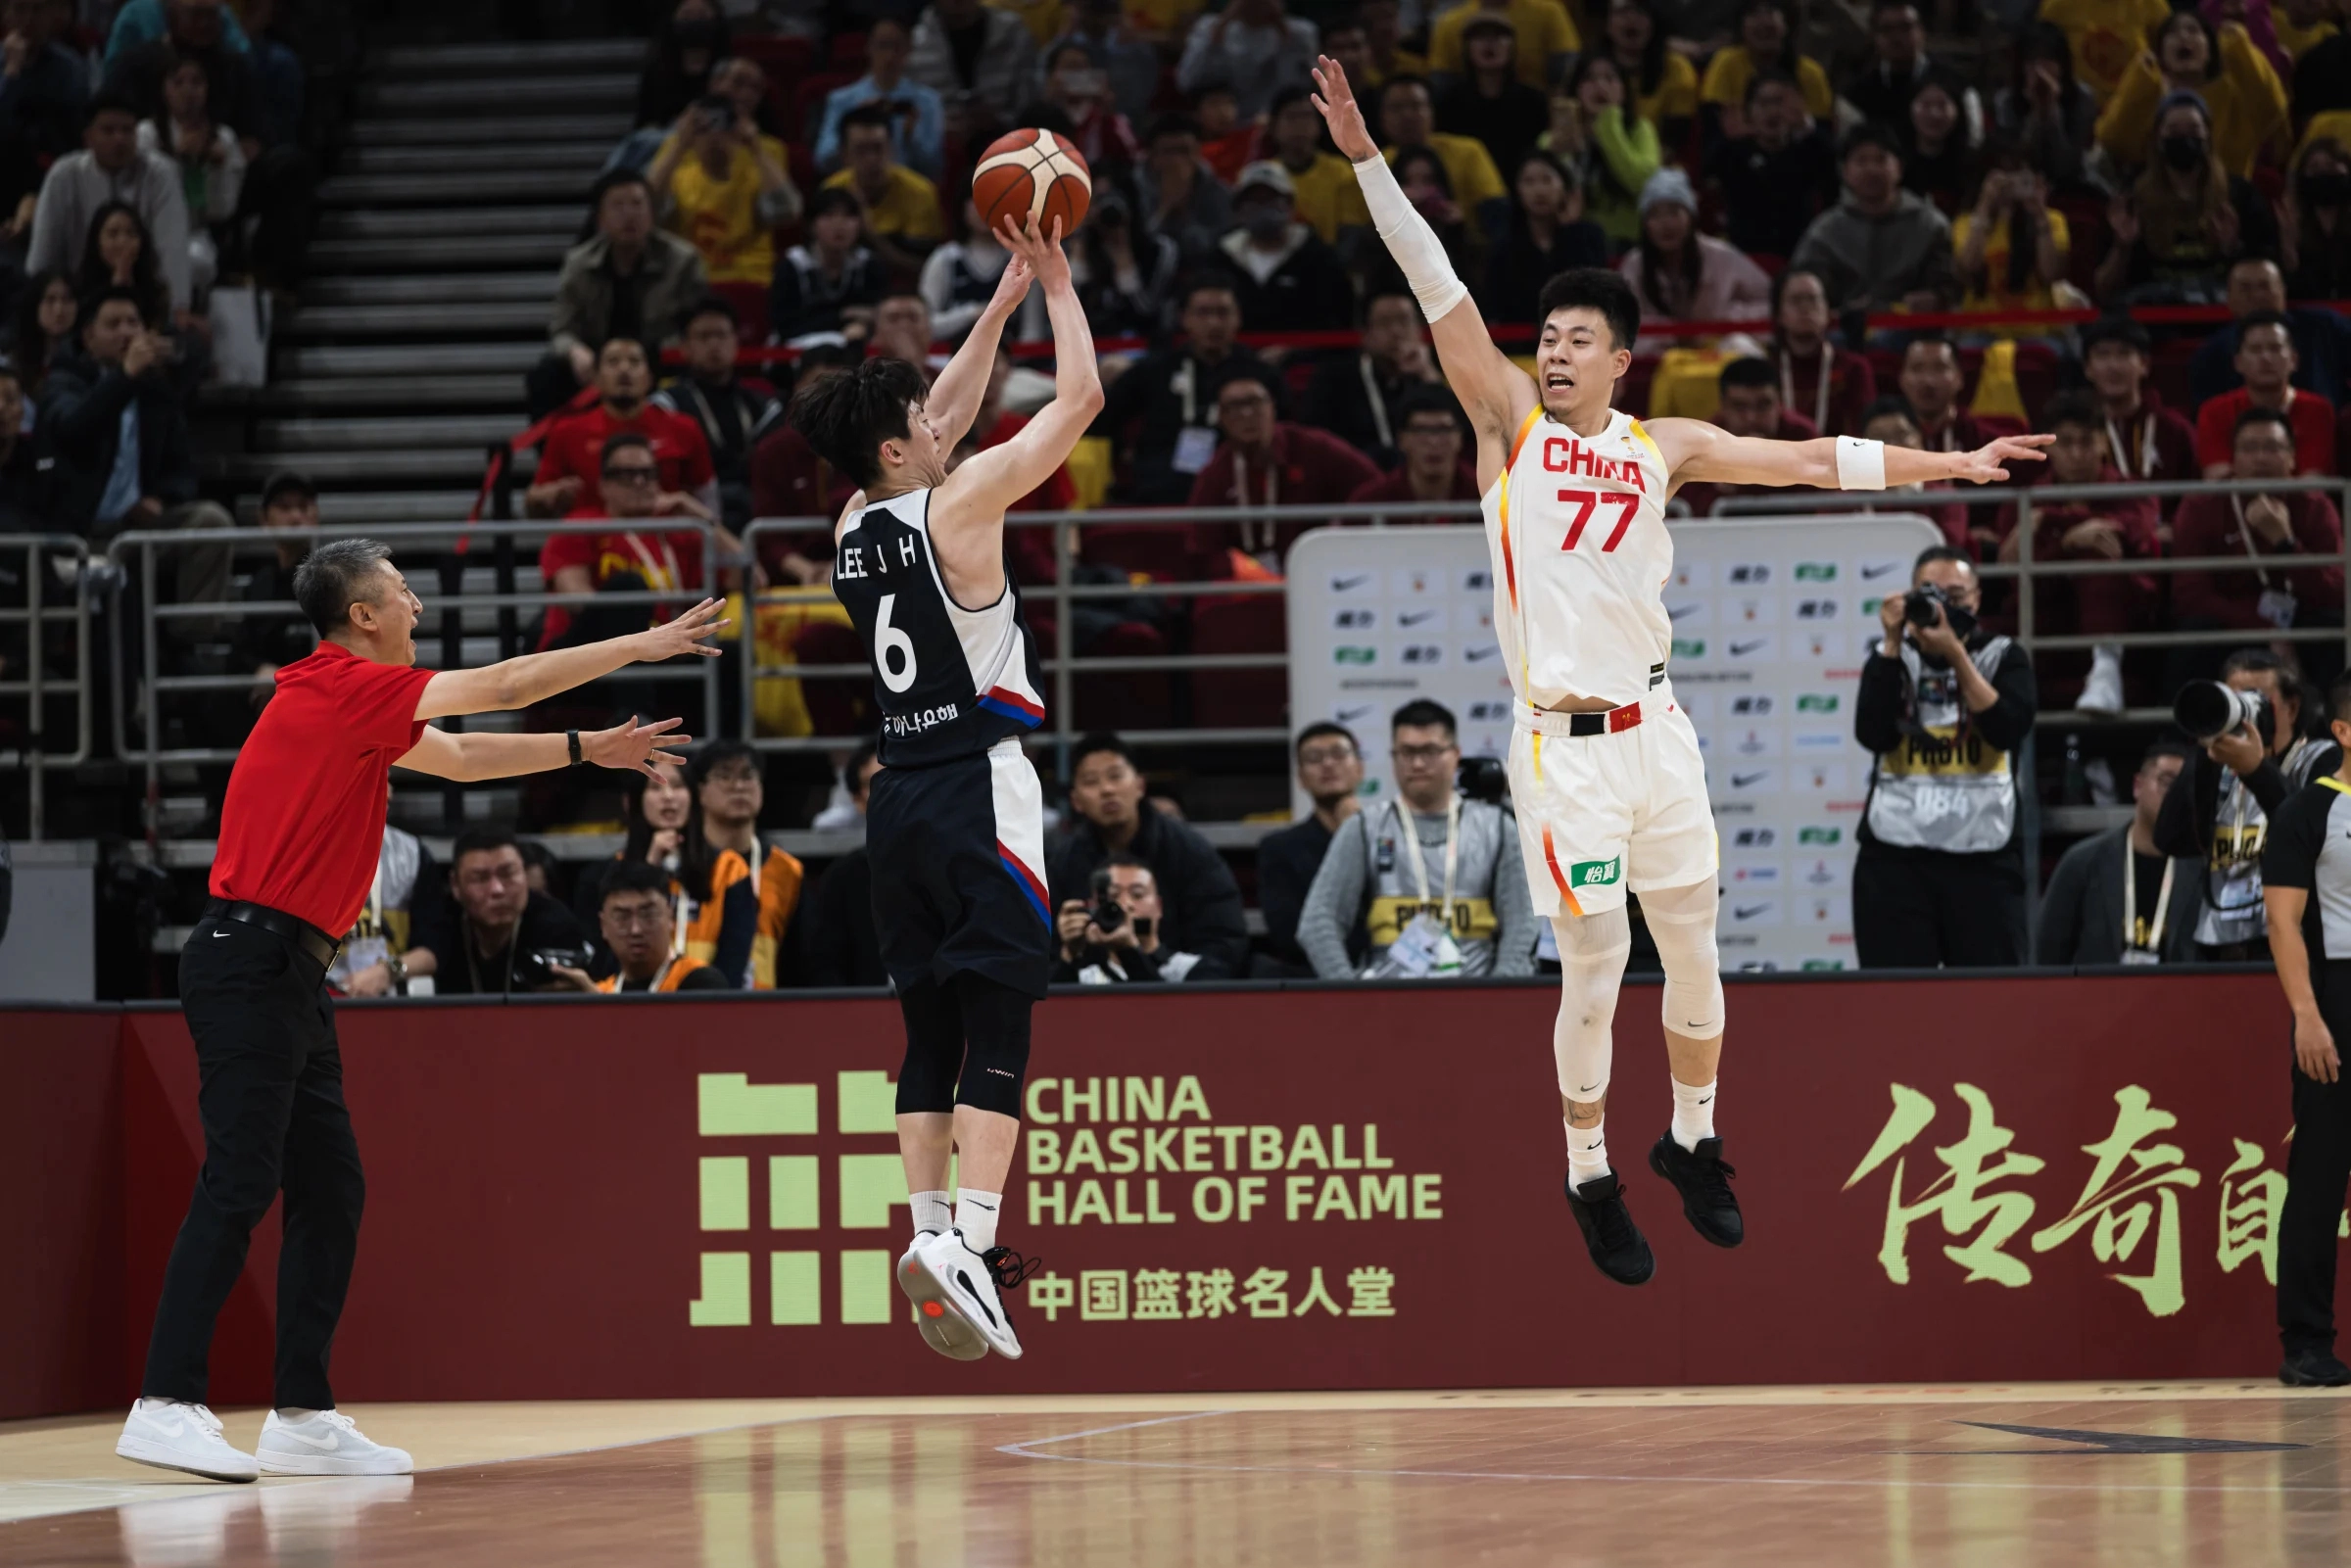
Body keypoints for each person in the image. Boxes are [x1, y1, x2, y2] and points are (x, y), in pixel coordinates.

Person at [1312, 51, 2049, 1285]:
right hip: (1562, 749)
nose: (1552, 352)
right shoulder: (1506, 429)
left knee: (1699, 956)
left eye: (1576, 340)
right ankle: (1588, 1168)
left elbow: (1814, 460)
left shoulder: (1669, 443)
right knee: (1596, 967)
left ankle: (1692, 1140)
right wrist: (1370, 162)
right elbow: (1431, 281)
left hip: (1661, 735)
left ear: (1620, 361)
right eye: (1544, 336)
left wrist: (1953, 466)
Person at [117, 539, 719, 1481]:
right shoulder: (335, 685)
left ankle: (302, 1414)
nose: (416, 607)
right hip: (250, 959)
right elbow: (508, 681)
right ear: (362, 616)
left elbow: (470, 756)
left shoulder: (354, 706)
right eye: (401, 593)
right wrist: (637, 646)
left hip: (289, 971)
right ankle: (164, 1399)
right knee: (240, 1179)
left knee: (332, 1188)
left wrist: (586, 747)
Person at [786, 213, 1100, 1365]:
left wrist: (1000, 302)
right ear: (899, 449)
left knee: (926, 1024)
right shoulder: (959, 507)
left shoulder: (852, 525)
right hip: (979, 784)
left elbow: (944, 416)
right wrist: (1061, 291)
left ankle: (926, 1234)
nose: (943, 428)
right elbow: (1076, 408)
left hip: (896, 803)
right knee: (1002, 1015)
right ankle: (974, 1235)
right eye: (922, 425)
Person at [1853, 546, 2039, 970]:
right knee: (1893, 1006)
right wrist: (1892, 643)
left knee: (1989, 1005)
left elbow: (2008, 728)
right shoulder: (1891, 658)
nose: (1941, 605)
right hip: (1896, 854)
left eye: (1954, 596)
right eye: (1929, 593)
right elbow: (1871, 734)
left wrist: (1956, 654)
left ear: (1976, 598)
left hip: (1982, 854)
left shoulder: (2003, 656)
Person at [1296, 698, 1536, 981]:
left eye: (1431, 751)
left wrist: (1501, 994)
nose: (1419, 763)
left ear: (1455, 754)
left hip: (1477, 994)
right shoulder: (1363, 828)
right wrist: (1352, 997)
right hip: (1386, 1001)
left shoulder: (1497, 826)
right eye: (1407, 752)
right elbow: (1317, 923)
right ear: (1393, 756)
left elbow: (1523, 921)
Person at [2256, 676, 2351, 1388]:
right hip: (2337, 1000)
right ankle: (2307, 1342)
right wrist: (2308, 1014)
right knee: (2320, 1174)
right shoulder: (2307, 812)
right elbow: (2283, 922)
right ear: (2344, 732)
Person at [2154, 649, 2341, 961]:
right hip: (2217, 947)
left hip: (2297, 947)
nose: (2244, 716)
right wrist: (2205, 745)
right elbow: (2170, 838)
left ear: (2292, 708)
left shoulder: (2324, 759)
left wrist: (2258, 771)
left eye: (2257, 701)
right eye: (2234, 701)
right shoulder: (2219, 767)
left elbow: (2315, 840)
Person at [1992, 392, 2159, 715]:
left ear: (2103, 444)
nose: (2077, 454)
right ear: (2048, 449)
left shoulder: (2132, 491)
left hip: (2122, 614)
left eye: (2086, 442)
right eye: (2066, 444)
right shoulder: (2025, 500)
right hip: (2048, 610)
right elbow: (2012, 569)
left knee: (2097, 558)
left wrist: (2054, 525)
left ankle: (2105, 669)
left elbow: (2133, 529)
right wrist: (2068, 541)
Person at [1046, 733, 1251, 976]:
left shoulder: (1188, 850)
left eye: (1116, 776)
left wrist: (1178, 971)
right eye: (1091, 781)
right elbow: (1044, 955)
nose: (1107, 790)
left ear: (1140, 785)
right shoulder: (1064, 862)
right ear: (1076, 800)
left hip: (1175, 987)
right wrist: (1071, 954)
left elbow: (1223, 940)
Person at [534, 168, 707, 421]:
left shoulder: (683, 260)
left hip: (661, 358)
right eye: (618, 206)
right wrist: (575, 351)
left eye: (638, 204)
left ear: (652, 213)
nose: (629, 214)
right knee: (546, 374)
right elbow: (562, 329)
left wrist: (659, 355)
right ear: (601, 218)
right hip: (597, 362)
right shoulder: (579, 263)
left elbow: (697, 325)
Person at [2170, 408, 2347, 657]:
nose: (2261, 458)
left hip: (2300, 624)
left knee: (2331, 625)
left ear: (2292, 458)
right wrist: (2263, 628)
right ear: (2233, 459)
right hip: (2231, 626)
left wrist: (2286, 545)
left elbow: (2335, 592)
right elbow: (2190, 595)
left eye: (2273, 448)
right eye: (2249, 448)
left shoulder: (2315, 505)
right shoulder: (2201, 505)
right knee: (2195, 630)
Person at [1090, 271, 1270, 505]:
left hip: (1239, 483)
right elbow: (1101, 421)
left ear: (1238, 318)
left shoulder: (1259, 374)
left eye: (1223, 313)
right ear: (1184, 318)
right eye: (1203, 313)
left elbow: (1282, 433)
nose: (1214, 323)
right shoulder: (1154, 369)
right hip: (1161, 486)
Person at [1186, 366, 1382, 569]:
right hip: (1250, 584)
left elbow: (1375, 488)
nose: (1246, 414)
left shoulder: (1314, 447)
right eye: (1234, 406)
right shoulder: (1216, 471)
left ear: (1272, 407)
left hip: (1320, 569)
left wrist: (1338, 535)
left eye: (1254, 402)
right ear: (1221, 418)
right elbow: (1203, 545)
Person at [2093, 91, 2276, 305]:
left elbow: (2266, 285)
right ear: (2158, 139)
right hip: (2154, 312)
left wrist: (2232, 251)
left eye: (2194, 130)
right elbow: (2103, 291)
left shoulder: (2239, 195)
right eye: (2173, 130)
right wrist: (2122, 247)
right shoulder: (2132, 199)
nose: (2184, 137)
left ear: (2208, 137)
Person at [2036, 741, 2198, 965]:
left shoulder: (2202, 871)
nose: (2175, 796)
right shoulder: (2082, 863)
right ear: (2137, 785)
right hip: (2098, 998)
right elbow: (2047, 955)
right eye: (2167, 782)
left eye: (2184, 787)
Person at [527, 337, 718, 524]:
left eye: (634, 362)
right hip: (591, 547)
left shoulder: (684, 428)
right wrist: (549, 495)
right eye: (613, 362)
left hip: (664, 544)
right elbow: (533, 505)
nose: (624, 369)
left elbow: (708, 502)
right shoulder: (566, 432)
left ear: (650, 378)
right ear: (596, 379)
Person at [1787, 121, 1958, 313]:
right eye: (1861, 161)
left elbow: (1949, 287)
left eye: (1880, 160)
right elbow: (1804, 284)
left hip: (1912, 327)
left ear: (1899, 168)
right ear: (1845, 172)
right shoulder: (1825, 231)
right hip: (1843, 330)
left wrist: (1936, 297)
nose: (1871, 169)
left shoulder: (1931, 225)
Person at [646, 90, 799, 288]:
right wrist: (679, 144)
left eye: (724, 128)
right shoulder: (677, 179)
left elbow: (786, 213)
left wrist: (755, 146)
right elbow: (648, 211)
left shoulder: (756, 176)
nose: (715, 137)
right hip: (690, 283)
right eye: (703, 130)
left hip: (748, 283)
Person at [650, 296, 779, 530]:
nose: (714, 345)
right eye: (703, 337)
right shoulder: (666, 405)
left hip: (755, 509)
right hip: (693, 515)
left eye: (721, 335)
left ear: (736, 342)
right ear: (685, 347)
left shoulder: (763, 405)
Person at [420, 829, 600, 996]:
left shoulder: (555, 924)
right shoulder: (441, 922)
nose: (497, 890)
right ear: (455, 885)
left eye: (507, 874)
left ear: (523, 873)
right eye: (480, 878)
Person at [692, 738, 804, 989]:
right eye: (724, 776)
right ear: (699, 791)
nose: (738, 786)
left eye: (747, 776)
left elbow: (798, 961)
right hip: (687, 1007)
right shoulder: (682, 865)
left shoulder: (787, 871)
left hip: (764, 1012)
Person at [1255, 722, 1365, 973]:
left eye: (1338, 754)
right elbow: (1288, 934)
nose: (1328, 764)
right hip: (1315, 980)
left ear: (1360, 768)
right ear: (1301, 778)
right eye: (1314, 758)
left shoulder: (1389, 838)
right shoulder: (1279, 849)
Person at [1703, 69, 1839, 261]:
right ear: (1749, 110)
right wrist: (1727, 139)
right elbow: (1707, 173)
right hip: (1744, 259)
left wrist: (1806, 127)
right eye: (1763, 103)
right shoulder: (1732, 152)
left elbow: (1834, 174)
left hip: (1800, 257)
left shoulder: (1812, 149)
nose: (1772, 112)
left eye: (1780, 102)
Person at [1305, 287, 1446, 467]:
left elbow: (1464, 429)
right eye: (1384, 323)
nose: (1396, 332)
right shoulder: (1333, 380)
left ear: (1419, 330)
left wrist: (1427, 374)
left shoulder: (1438, 370)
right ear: (1366, 335)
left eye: (1404, 321)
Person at [1614, 166, 1769, 327]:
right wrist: (1668, 331)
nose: (1666, 224)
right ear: (1645, 224)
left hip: (1717, 345)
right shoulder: (1634, 263)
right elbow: (1622, 319)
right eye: (1654, 214)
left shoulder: (1721, 255)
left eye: (1674, 212)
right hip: (1658, 349)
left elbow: (1770, 302)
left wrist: (1730, 316)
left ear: (1691, 217)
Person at [1217, 160, 1356, 333]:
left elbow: (1337, 318)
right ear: (1238, 209)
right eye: (1254, 201)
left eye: (1271, 200)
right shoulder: (1220, 260)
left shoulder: (1320, 258)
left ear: (1290, 205)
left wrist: (1295, 351)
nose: (1263, 209)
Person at [2195, 312, 2336, 478]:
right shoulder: (2214, 412)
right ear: (2238, 363)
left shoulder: (2319, 410)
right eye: (2255, 350)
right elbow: (2218, 481)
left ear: (2294, 360)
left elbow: (2313, 481)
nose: (2266, 358)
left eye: (2275, 348)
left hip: (2299, 504)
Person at [1544, 50, 1659, 251]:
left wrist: (1608, 124)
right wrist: (1564, 155)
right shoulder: (1552, 139)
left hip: (1628, 246)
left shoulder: (1640, 130)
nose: (1600, 86)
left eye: (1610, 77)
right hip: (1569, 242)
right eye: (1589, 78)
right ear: (1575, 88)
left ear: (1624, 89)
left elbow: (1644, 183)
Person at [818, 104, 946, 280]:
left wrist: (871, 236)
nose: (871, 159)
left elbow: (923, 269)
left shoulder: (920, 192)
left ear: (892, 149)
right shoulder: (832, 190)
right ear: (844, 154)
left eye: (878, 148)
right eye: (861, 150)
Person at [1479, 149, 1607, 321]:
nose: (1539, 191)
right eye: (1529, 182)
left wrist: (1570, 232)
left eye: (1547, 180)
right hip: (1520, 344)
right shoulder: (1504, 245)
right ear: (1517, 191)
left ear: (1564, 187)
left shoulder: (1589, 236)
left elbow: (1590, 293)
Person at [2078, 314, 2198, 495]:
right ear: (2087, 368)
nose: (2113, 366)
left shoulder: (2174, 428)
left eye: (2124, 354)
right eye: (2102, 355)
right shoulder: (2075, 432)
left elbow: (2198, 494)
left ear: (2144, 364)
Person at [812, 16, 945, 177]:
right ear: (868, 48)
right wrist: (853, 125)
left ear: (909, 49)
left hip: (907, 188)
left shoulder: (928, 101)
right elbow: (822, 159)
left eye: (897, 47)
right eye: (882, 46)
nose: (889, 56)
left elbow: (935, 167)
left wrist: (912, 137)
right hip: (855, 187)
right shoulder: (841, 100)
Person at [803, 742, 888, 987]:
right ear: (858, 801)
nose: (892, 790)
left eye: (899, 776)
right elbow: (826, 968)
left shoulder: (951, 866)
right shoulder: (842, 879)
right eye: (876, 782)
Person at [582, 859, 732, 992]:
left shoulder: (701, 982)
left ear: (670, 917)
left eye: (648, 915)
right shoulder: (601, 993)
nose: (636, 929)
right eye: (623, 917)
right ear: (603, 925)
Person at [1051, 855, 1208, 982]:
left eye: (1137, 894)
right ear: (1094, 907)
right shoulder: (1083, 977)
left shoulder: (1190, 969)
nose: (1126, 904)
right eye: (1113, 896)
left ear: (1159, 906)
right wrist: (1069, 953)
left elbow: (1163, 1014)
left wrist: (1128, 950)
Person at [323, 824, 437, 998]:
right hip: (319, 997)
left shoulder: (412, 854)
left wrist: (388, 971)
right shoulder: (304, 848)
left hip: (394, 998)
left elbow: (434, 949)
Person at [1433, 13, 1551, 176]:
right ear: (1467, 48)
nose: (1489, 43)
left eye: (1498, 37)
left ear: (1512, 47)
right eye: (1480, 37)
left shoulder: (1534, 101)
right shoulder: (1447, 102)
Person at [1766, 268, 1874, 437]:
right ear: (1779, 314)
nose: (1805, 308)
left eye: (1813, 299)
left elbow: (1864, 430)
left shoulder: (1853, 368)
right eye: (1795, 300)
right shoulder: (1768, 368)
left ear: (1828, 312)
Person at [770, 189, 886, 346]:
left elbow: (878, 315)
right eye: (829, 216)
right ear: (811, 225)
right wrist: (843, 315)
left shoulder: (869, 264)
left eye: (848, 216)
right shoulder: (792, 266)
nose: (839, 225)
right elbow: (785, 326)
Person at [1175, 0, 1317, 120]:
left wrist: (1283, 31)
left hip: (1275, 119)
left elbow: (1299, 86)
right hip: (1225, 119)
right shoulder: (1208, 27)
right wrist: (1220, 29)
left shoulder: (1301, 33)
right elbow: (1186, 81)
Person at [1349, 384, 1482, 508]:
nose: (1433, 441)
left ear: (1460, 437)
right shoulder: (1371, 502)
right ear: (1401, 440)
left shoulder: (1490, 498)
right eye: (1420, 430)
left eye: (1444, 430)